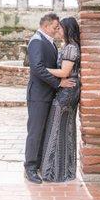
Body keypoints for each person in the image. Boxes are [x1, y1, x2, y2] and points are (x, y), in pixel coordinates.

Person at [24, 13, 75, 184]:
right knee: (35, 132)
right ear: (46, 26)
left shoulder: (50, 42)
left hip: (48, 95)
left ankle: (38, 164)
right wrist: (59, 83)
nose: (56, 30)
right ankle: (30, 168)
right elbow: (37, 68)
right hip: (38, 96)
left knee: (43, 132)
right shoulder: (37, 41)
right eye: (54, 27)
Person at [40, 16, 81, 182]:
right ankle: (64, 171)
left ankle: (54, 172)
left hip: (68, 92)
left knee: (57, 127)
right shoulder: (68, 46)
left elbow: (64, 73)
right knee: (63, 128)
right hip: (67, 90)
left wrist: (42, 69)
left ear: (68, 29)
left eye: (61, 28)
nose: (58, 31)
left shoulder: (71, 48)